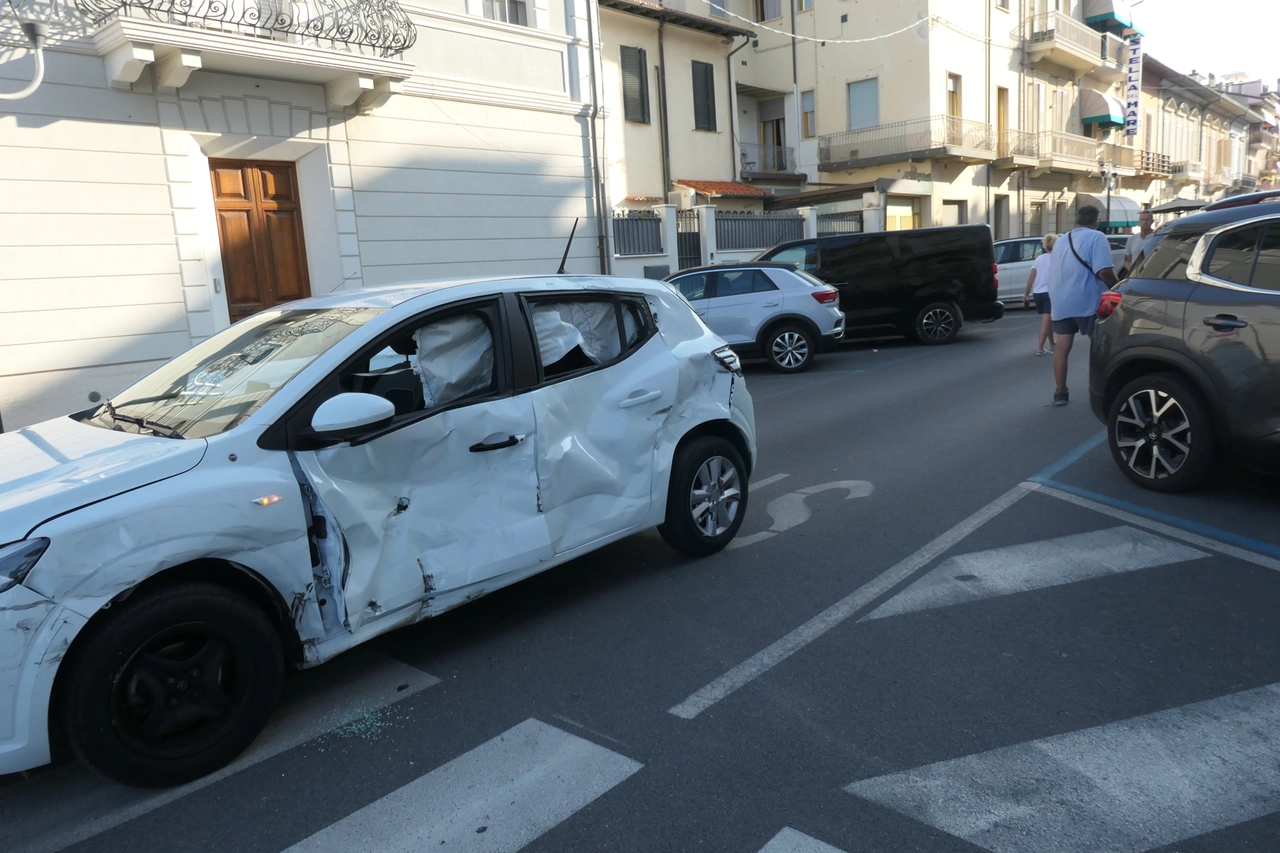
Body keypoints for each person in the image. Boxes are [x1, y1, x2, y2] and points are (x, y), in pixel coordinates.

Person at [1048, 205, 1118, 406]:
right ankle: (1105, 389)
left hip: (1061, 301)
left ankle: (1060, 392)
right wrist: (1118, 286)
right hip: (1086, 300)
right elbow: (1104, 271)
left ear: (1077, 220)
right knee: (1098, 345)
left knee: (1062, 347)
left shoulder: (1061, 240)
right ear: (1096, 220)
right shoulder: (1097, 237)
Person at [1021, 233, 1058, 356]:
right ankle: (1040, 348)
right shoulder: (1057, 258)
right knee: (1046, 320)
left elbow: (1032, 277)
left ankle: (1052, 343)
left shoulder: (1039, 259)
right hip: (1049, 292)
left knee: (1047, 319)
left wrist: (1026, 293)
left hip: (1037, 293)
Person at [1122, 209, 1156, 276]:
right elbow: (1127, 260)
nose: (1145, 222)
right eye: (1142, 219)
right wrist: (1132, 271)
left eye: (1147, 219)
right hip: (1135, 276)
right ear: (1139, 221)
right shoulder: (1132, 239)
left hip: (1153, 275)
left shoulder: (1156, 237)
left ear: (1152, 221)